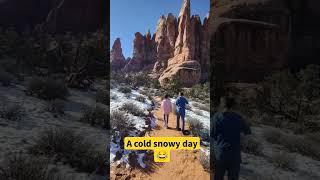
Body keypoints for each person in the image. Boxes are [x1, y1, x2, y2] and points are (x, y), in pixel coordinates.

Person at [213, 97, 251, 180]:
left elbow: (212, 135)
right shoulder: (239, 118)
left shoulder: (217, 117)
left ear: (223, 105)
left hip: (221, 154)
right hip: (235, 155)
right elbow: (247, 134)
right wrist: (244, 146)